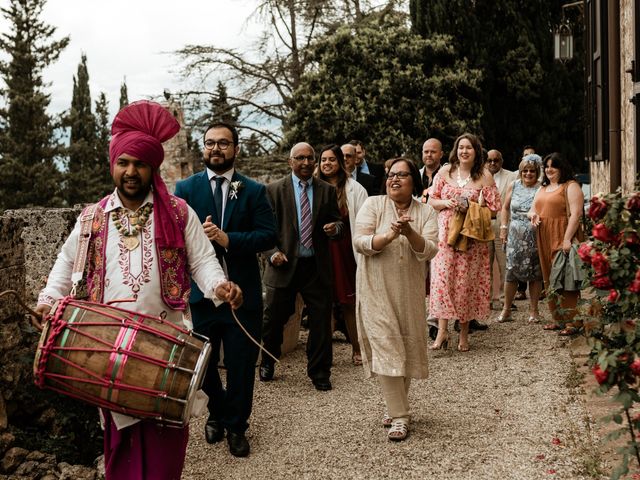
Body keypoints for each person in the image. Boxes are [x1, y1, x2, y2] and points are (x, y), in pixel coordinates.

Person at [33, 101, 243, 480]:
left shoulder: (179, 213)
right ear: (113, 166)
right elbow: (64, 266)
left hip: (166, 345)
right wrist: (48, 302)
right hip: (106, 348)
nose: (131, 172)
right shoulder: (92, 218)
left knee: (165, 446)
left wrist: (220, 286)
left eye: (140, 164)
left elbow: (202, 261)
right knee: (121, 447)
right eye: (124, 163)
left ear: (153, 168)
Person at [174, 122, 276, 457]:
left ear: (235, 148)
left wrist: (227, 239)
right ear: (202, 148)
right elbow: (175, 240)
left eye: (223, 143)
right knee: (202, 364)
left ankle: (236, 426)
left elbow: (267, 236)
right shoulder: (185, 189)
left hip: (241, 293)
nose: (215, 149)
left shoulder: (253, 190)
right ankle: (216, 411)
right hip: (199, 296)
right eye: (210, 143)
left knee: (241, 364)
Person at [353, 157, 438, 441]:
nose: (394, 179)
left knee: (406, 348)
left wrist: (409, 231)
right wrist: (389, 234)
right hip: (375, 290)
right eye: (391, 174)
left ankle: (393, 405)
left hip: (409, 294)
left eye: (402, 175)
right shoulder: (373, 205)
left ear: (415, 181)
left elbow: (428, 251)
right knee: (387, 347)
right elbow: (360, 242)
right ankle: (401, 417)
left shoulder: (425, 212)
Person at [260, 142, 343, 391]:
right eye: (300, 158)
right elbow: (263, 231)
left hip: (316, 267)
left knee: (320, 322)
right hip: (283, 265)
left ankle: (319, 372)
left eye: (310, 158)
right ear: (290, 162)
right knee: (273, 318)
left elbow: (338, 224)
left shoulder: (327, 191)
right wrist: (272, 253)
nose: (306, 163)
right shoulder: (273, 190)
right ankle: (268, 358)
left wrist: (334, 229)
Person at [427, 133, 501, 352]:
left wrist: (471, 207)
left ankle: (464, 333)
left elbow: (494, 208)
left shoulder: (484, 176)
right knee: (442, 281)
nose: (464, 151)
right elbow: (431, 199)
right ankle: (442, 331)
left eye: (469, 148)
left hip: (471, 238)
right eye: (461, 148)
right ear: (455, 150)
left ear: (476, 151)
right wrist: (447, 202)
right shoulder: (444, 171)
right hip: (445, 235)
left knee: (465, 283)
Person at [315, 144, 368, 365]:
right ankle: (324, 353)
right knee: (321, 303)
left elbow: (365, 222)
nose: (327, 163)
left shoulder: (355, 189)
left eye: (332, 160)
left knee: (349, 303)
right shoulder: (313, 187)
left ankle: (358, 348)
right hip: (319, 251)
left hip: (345, 252)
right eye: (323, 160)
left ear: (341, 163)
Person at [529, 152, 584, 335]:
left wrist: (567, 239)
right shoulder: (542, 188)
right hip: (543, 236)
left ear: (562, 168)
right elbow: (532, 209)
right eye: (546, 166)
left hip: (562, 234)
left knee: (566, 278)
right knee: (549, 278)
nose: (549, 169)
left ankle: (573, 322)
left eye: (553, 166)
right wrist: (533, 216)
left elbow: (576, 214)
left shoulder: (570, 186)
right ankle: (558, 319)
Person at [497, 155, 543, 323]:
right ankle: (506, 309)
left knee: (535, 273)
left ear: (537, 172)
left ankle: (534, 310)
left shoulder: (541, 188)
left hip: (535, 235)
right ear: (521, 172)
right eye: (525, 171)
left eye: (532, 171)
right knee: (511, 272)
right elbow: (505, 208)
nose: (528, 174)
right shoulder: (514, 185)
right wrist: (503, 228)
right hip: (515, 234)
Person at [418, 138, 444, 340]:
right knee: (419, 276)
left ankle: (434, 321)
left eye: (433, 152)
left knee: (438, 278)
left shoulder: (447, 175)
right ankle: (419, 317)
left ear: (441, 154)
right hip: (418, 231)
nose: (429, 155)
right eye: (426, 151)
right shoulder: (415, 175)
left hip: (441, 231)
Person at [486, 149, 518, 311]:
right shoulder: (479, 177)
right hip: (483, 227)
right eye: (489, 160)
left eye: (496, 160)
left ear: (501, 161)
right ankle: (488, 300)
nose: (492, 163)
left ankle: (507, 300)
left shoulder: (512, 177)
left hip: (504, 226)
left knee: (506, 263)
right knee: (485, 265)